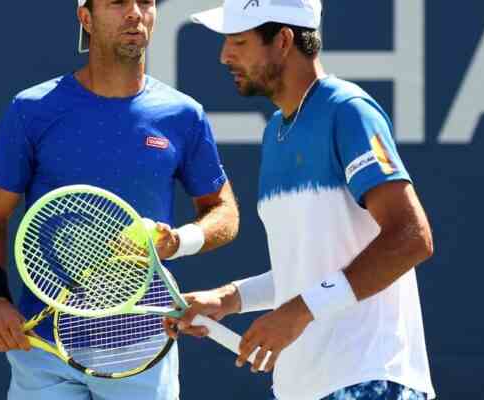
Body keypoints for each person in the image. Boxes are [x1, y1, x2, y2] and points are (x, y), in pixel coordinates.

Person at [0, 0, 239, 399]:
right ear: (85, 17)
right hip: (42, 349)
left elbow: (223, 210)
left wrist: (177, 241)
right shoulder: (32, 110)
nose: (134, 13)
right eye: (117, 3)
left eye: (145, 2)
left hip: (144, 342)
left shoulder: (183, 115)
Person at [167, 1, 436, 399]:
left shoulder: (348, 112)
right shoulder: (276, 132)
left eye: (239, 41)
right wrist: (229, 299)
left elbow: (411, 239)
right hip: (303, 388)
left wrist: (299, 311)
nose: (225, 55)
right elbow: (311, 270)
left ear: (283, 40)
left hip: (371, 379)